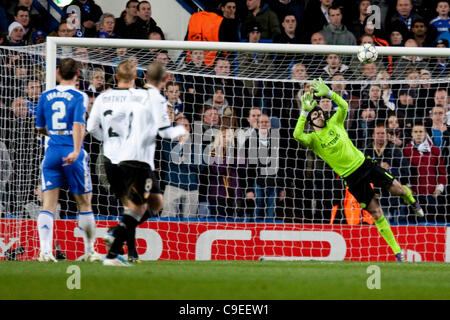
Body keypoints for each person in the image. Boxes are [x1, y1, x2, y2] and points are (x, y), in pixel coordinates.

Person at [293, 78, 424, 262]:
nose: (319, 116)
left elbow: (345, 105)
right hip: (351, 178)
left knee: (398, 190)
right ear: (310, 121)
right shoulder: (313, 139)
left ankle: (412, 200)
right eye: (315, 116)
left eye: (320, 113)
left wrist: (330, 93)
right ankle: (397, 251)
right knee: (376, 212)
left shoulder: (335, 123)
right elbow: (296, 135)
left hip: (365, 164)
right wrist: (304, 111)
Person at [90, 61, 187, 265]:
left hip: (110, 157)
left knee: (146, 204)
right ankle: (119, 247)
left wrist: (107, 142)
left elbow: (92, 128)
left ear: (116, 76)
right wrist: (181, 130)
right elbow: (162, 130)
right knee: (137, 207)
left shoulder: (105, 97)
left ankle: (122, 242)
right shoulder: (142, 96)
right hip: (136, 158)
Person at [35, 58, 101, 262]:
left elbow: (39, 127)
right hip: (72, 152)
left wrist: (55, 134)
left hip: (52, 151)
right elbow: (78, 124)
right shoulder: (79, 95)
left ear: (57, 73)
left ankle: (45, 252)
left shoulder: (45, 95)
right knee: (84, 202)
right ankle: (89, 251)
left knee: (48, 204)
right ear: (77, 75)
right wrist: (76, 149)